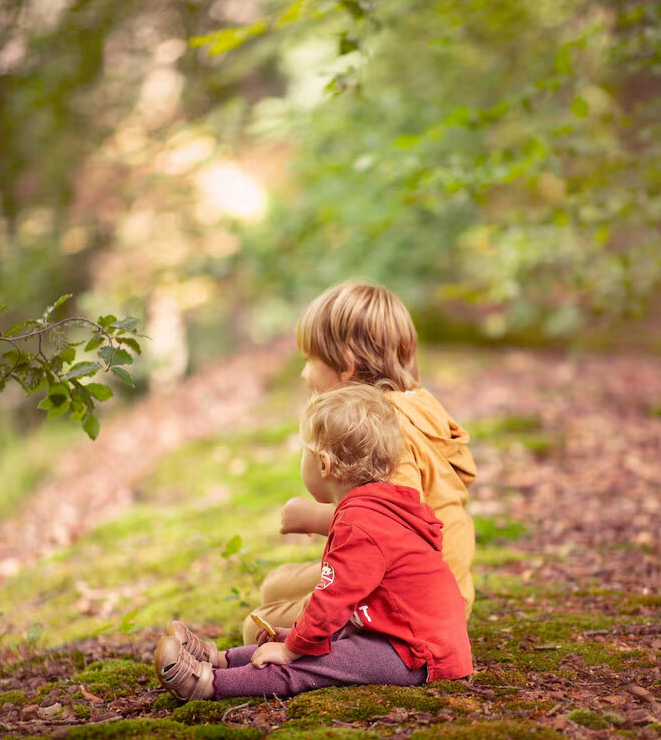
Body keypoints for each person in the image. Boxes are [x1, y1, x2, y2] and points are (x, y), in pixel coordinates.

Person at [154, 384, 472, 702]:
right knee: (317, 643)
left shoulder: (359, 524)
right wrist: (294, 637)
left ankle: (207, 684)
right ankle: (220, 659)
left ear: (323, 464)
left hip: (415, 652)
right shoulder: (380, 506)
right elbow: (345, 610)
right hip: (407, 635)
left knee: (311, 666)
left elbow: (331, 601)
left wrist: (292, 648)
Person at [243, 281, 477, 643]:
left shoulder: (388, 435)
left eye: (309, 360)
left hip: (412, 602)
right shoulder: (414, 407)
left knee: (255, 625)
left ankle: (341, 642)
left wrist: (314, 518)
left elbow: (396, 529)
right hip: (429, 582)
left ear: (347, 367)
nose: (304, 375)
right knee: (274, 585)